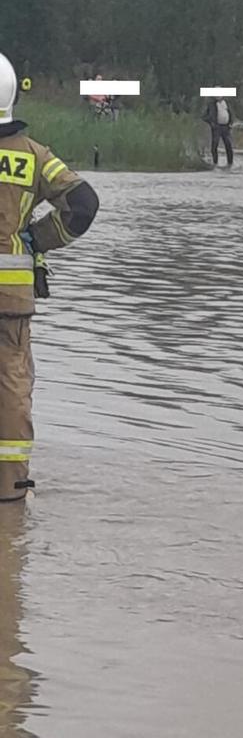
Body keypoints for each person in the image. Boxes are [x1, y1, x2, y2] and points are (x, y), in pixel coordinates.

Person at [0, 52, 99, 503]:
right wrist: (35, 240)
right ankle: (9, 494)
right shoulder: (34, 157)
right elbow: (84, 205)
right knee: (11, 389)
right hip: (10, 301)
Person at [203, 95, 234, 167]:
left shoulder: (226, 103)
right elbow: (204, 116)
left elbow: (231, 114)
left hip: (226, 127)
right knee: (214, 145)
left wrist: (231, 123)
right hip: (217, 127)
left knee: (228, 145)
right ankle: (215, 162)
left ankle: (230, 163)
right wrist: (212, 123)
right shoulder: (211, 105)